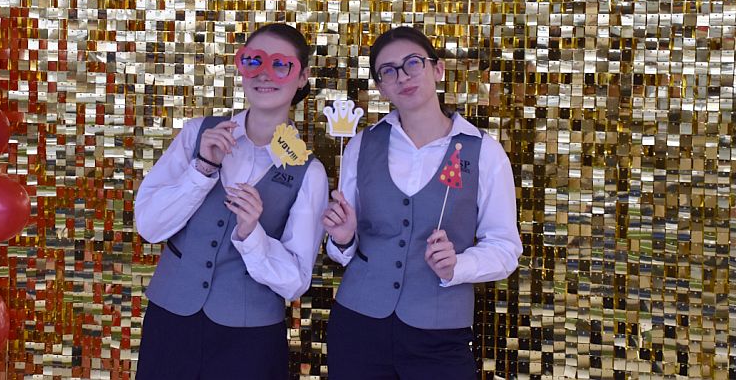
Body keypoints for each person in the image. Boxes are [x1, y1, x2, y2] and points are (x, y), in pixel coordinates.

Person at [322, 26, 523, 380]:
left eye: (413, 63)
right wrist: (343, 238)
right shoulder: (361, 145)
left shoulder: (483, 151)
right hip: (357, 324)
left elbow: (505, 248)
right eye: (388, 71)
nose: (402, 76)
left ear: (437, 69)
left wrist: (457, 265)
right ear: (381, 87)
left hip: (440, 335)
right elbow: (342, 248)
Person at [135, 23, 328, 380]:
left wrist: (253, 235)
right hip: (170, 323)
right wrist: (202, 170)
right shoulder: (197, 134)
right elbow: (149, 226)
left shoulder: (309, 172)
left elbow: (296, 281)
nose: (264, 74)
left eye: (280, 64)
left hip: (249, 340)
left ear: (302, 76)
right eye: (254, 61)